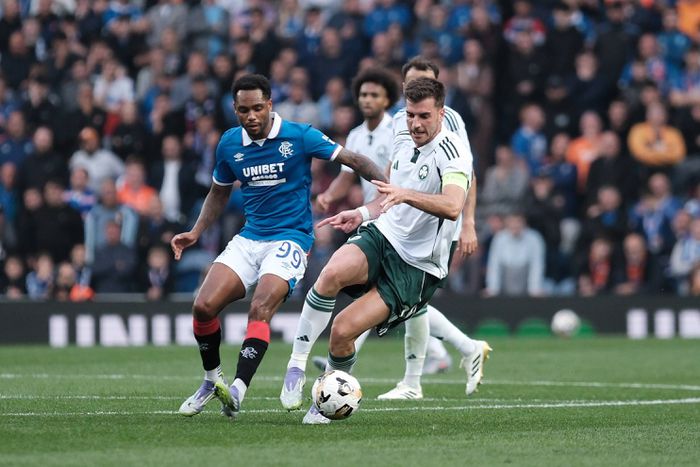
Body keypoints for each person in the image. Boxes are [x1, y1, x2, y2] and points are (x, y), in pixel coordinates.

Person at [171, 74, 387, 419]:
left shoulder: (299, 135)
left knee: (260, 307)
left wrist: (388, 189)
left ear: (270, 105)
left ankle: (238, 389)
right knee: (203, 306)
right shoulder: (229, 144)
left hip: (291, 238)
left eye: (258, 108)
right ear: (235, 110)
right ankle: (212, 381)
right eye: (244, 110)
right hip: (249, 238)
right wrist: (196, 231)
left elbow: (354, 160)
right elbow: (218, 192)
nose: (251, 116)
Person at [293, 77, 475, 424]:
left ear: (441, 113)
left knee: (342, 331)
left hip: (417, 267)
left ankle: (329, 400)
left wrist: (406, 195)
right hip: (385, 234)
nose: (415, 124)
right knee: (330, 273)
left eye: (424, 116)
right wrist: (362, 213)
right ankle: (297, 366)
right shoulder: (401, 134)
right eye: (410, 115)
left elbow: (453, 206)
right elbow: (388, 195)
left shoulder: (454, 152)